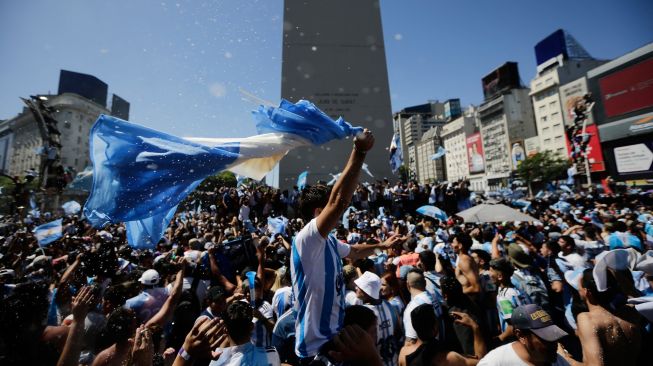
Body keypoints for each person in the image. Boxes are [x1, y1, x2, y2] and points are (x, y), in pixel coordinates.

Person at [291, 129, 402, 361]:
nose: (339, 214)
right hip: (316, 352)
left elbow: (353, 251)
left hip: (335, 342)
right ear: (319, 213)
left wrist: (382, 244)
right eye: (330, 209)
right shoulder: (307, 239)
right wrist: (359, 151)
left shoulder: (329, 241)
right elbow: (339, 200)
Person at [566, 268, 642, 366]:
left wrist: (566, 358)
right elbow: (634, 295)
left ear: (587, 292)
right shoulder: (630, 311)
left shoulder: (588, 319)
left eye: (579, 285)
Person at [477, 304, 569, 366]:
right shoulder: (496, 362)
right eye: (545, 338)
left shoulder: (559, 362)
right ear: (521, 336)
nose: (554, 344)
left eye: (554, 336)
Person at [400, 303, 486, 366]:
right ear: (434, 328)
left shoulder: (404, 353)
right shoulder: (449, 358)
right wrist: (474, 326)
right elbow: (482, 362)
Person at [354, 271, 401, 366]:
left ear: (366, 291)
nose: (356, 288)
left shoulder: (362, 312)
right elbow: (398, 332)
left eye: (359, 286)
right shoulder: (390, 305)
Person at [488, 258, 530, 343]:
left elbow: (512, 326)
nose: (489, 274)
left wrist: (499, 339)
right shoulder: (517, 289)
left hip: (517, 340)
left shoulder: (504, 297)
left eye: (491, 271)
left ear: (500, 276)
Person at [403, 269, 443, 344]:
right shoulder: (434, 298)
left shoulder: (412, 308)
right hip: (441, 347)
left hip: (428, 352)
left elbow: (410, 341)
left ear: (407, 284)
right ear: (425, 282)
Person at [452, 233, 481, 298]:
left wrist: (461, 292)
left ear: (460, 245)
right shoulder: (467, 258)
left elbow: (476, 288)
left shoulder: (464, 261)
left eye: (453, 242)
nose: (451, 245)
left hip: (471, 301)